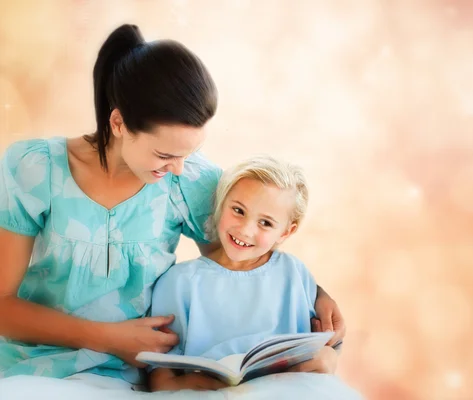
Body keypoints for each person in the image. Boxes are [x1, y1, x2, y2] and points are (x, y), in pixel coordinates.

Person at [0, 24, 345, 390]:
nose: (178, 168)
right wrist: (109, 337)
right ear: (118, 122)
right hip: (35, 366)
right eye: (165, 154)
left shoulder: (188, 181)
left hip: (139, 376)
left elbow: (237, 261)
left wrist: (316, 295)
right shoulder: (36, 170)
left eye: (189, 154)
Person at [148, 156, 339, 392]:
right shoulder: (179, 282)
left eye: (266, 223)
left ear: (286, 232)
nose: (246, 230)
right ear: (221, 203)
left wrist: (328, 356)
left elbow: (321, 345)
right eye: (238, 210)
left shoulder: (293, 273)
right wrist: (173, 383)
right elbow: (160, 367)